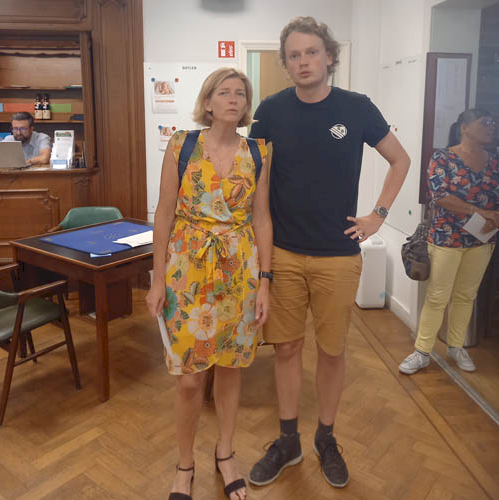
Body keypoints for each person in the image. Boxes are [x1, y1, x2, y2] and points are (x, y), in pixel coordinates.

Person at [248, 16, 410, 490]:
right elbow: (251, 173)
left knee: (332, 351)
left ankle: (326, 437)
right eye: (294, 55)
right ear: (286, 63)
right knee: (286, 349)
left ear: (330, 57)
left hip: (338, 255)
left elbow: (400, 159)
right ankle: (288, 441)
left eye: (312, 52)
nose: (303, 62)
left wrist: (378, 215)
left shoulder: (357, 108)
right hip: (282, 254)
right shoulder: (271, 110)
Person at [146, 67, 272, 500]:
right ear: (208, 101)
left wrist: (265, 282)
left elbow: (262, 218)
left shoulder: (258, 152)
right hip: (187, 271)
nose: (234, 99)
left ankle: (225, 453)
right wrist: (157, 278)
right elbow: (164, 212)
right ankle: (185, 466)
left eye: (241, 93)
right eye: (225, 92)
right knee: (188, 380)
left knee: (231, 370)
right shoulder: (182, 145)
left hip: (240, 272)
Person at [399, 109, 499, 375]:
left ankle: (456, 346)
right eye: (484, 123)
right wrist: (482, 212)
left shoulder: (495, 161)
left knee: (466, 296)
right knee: (437, 296)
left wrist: (495, 216)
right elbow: (440, 196)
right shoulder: (443, 158)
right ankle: (422, 352)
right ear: (465, 128)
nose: (491, 127)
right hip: (447, 236)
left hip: (482, 239)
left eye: (492, 123)